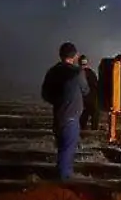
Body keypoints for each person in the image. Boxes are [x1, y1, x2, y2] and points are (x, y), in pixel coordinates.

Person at [41, 42, 89, 181]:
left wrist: (59, 101)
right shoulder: (77, 72)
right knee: (67, 149)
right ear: (74, 56)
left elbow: (45, 94)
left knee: (62, 147)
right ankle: (63, 180)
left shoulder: (52, 71)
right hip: (72, 116)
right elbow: (86, 90)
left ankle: (61, 176)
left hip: (58, 115)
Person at [77, 55, 100, 131]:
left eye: (84, 64)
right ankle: (82, 129)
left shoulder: (90, 73)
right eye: (82, 64)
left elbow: (96, 85)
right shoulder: (76, 73)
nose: (83, 66)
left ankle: (93, 129)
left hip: (91, 99)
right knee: (84, 117)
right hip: (83, 100)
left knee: (94, 116)